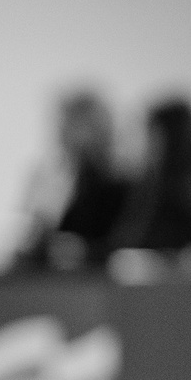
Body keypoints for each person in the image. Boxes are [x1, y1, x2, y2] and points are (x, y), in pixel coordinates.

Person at [13, 86, 131, 268]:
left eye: (68, 125)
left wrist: (83, 250)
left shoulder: (119, 181)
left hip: (98, 286)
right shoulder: (53, 177)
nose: (60, 135)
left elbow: (123, 245)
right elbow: (31, 242)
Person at [111, 94, 191, 255]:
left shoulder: (179, 196)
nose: (145, 143)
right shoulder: (157, 187)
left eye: (151, 133)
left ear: (169, 139)